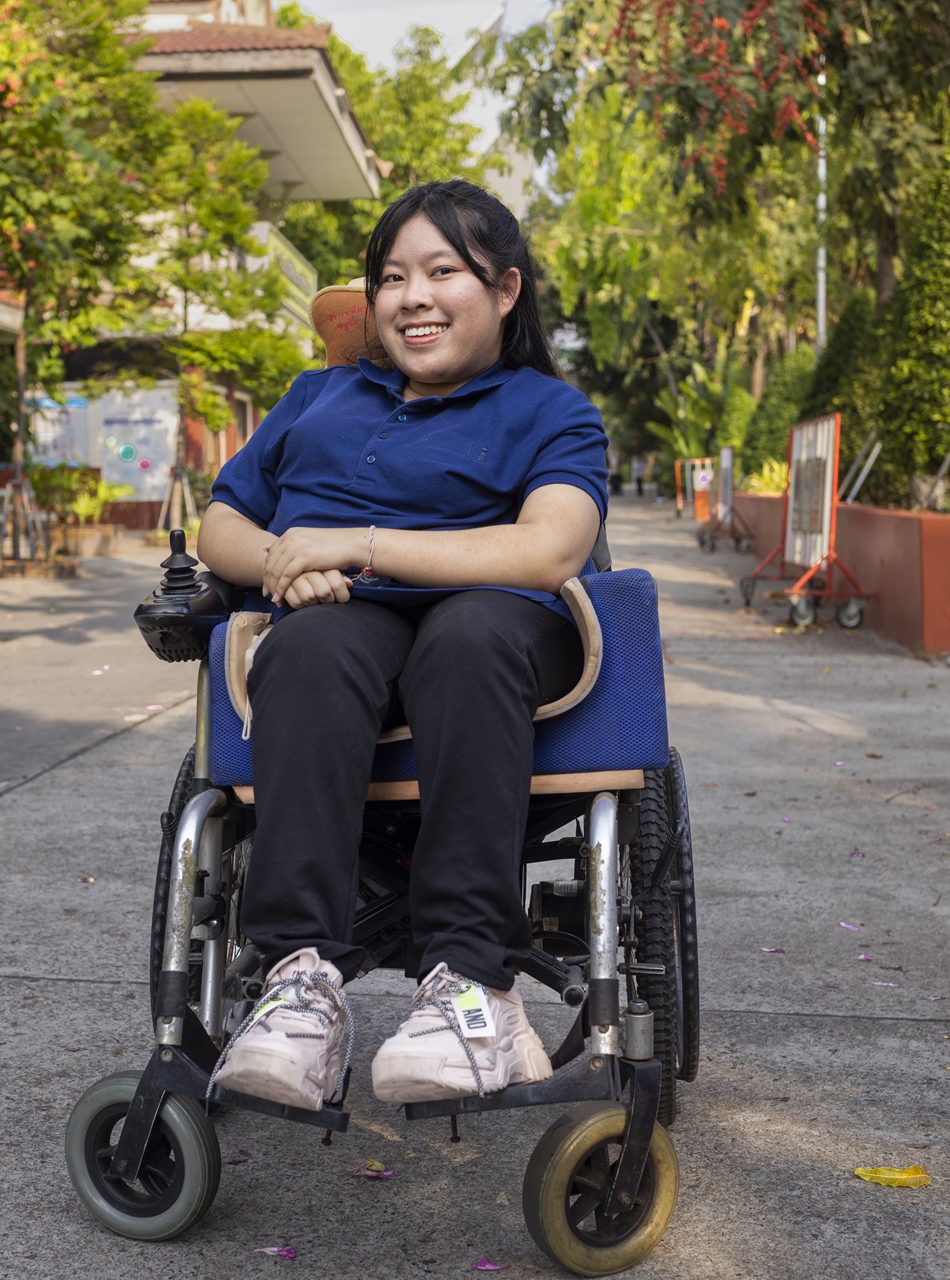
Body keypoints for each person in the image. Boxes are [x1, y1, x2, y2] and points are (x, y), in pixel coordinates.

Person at [194, 180, 608, 1110]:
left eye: (441, 271)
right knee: (303, 649)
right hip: (343, 625)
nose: (411, 296)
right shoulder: (319, 396)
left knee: (465, 638)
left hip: (496, 630)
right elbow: (219, 522)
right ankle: (299, 985)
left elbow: (550, 548)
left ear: (504, 290)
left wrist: (359, 544)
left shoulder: (552, 412)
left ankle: (472, 988)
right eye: (391, 277)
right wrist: (280, 563)